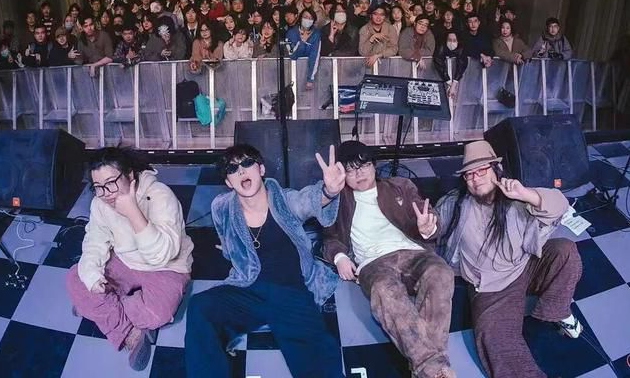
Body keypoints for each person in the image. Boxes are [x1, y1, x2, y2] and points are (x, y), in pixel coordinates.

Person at [185, 143, 346, 378]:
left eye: (247, 163)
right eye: (233, 168)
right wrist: (230, 250)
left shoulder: (284, 201)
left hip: (290, 291)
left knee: (320, 363)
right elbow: (227, 243)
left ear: (261, 170)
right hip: (247, 289)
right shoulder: (221, 207)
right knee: (200, 307)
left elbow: (307, 201)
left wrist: (328, 192)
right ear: (229, 182)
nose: (241, 170)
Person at [435, 141, 582, 378]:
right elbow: (436, 225)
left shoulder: (515, 196)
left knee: (565, 250)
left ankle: (557, 310)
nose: (475, 178)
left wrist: (526, 195)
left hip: (525, 265)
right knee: (496, 342)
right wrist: (428, 229)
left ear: (496, 170)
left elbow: (560, 204)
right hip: (491, 287)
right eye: (469, 174)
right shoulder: (456, 204)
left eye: (482, 170)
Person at [323, 141, 456, 378]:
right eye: (350, 170)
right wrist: (340, 256)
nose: (358, 174)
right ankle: (435, 370)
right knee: (384, 288)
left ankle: (429, 370)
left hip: (414, 253)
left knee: (440, 273)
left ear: (374, 165)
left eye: (363, 166)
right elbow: (329, 237)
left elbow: (427, 215)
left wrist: (428, 227)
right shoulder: (339, 200)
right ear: (343, 175)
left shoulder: (400, 186)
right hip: (374, 263)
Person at [66, 147, 193, 371]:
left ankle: (102, 311)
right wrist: (92, 276)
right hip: (125, 260)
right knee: (76, 278)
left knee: (158, 313)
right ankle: (131, 332)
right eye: (98, 187)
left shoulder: (160, 195)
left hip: (167, 266)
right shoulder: (100, 203)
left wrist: (132, 210)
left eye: (111, 182)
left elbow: (162, 255)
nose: (106, 193)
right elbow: (95, 241)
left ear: (130, 175)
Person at [286, 8, 322, 90]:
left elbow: (315, 56)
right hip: (292, 70)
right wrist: (302, 42)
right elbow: (292, 56)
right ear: (300, 18)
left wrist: (310, 79)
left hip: (309, 73)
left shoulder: (316, 34)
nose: (308, 20)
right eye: (305, 17)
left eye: (310, 18)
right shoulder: (291, 33)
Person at [433, 30, 468, 100]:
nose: (451, 42)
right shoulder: (441, 47)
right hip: (441, 79)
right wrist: (449, 82)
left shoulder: (461, 48)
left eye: (454, 40)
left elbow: (461, 66)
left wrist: (454, 84)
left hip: (457, 80)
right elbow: (439, 63)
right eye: (449, 40)